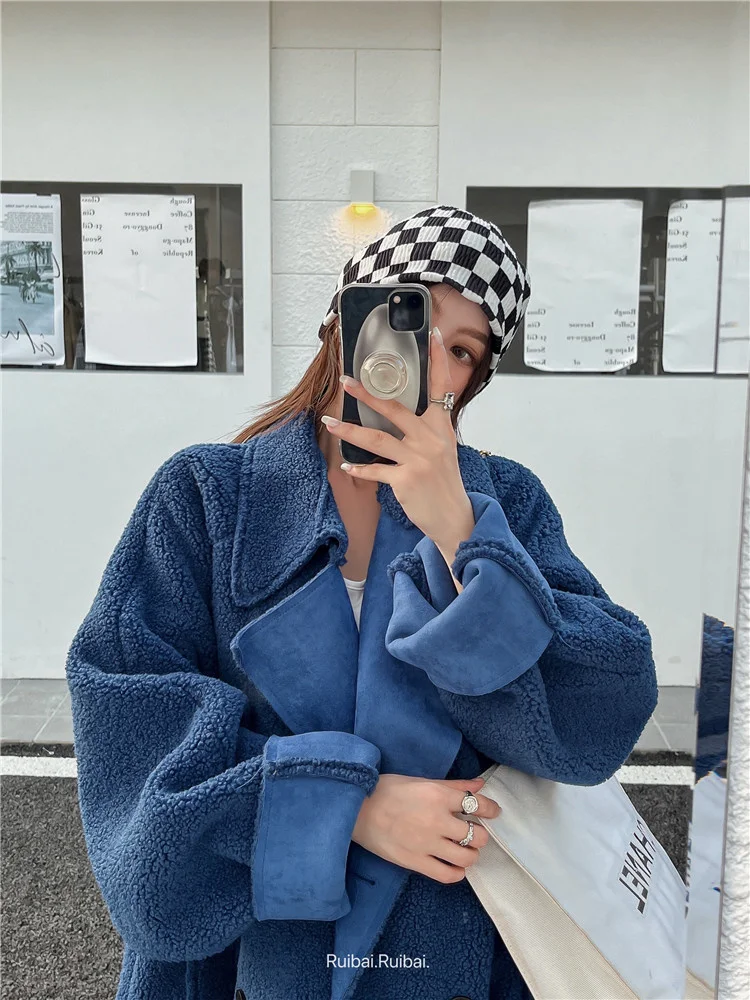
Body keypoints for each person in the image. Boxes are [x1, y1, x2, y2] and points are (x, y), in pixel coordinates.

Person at [66, 205, 658, 1000]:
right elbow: (132, 727)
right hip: (247, 963)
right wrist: (347, 807)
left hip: (455, 955)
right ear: (341, 324)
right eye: (408, 319)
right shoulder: (206, 496)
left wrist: (464, 537)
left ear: (472, 383)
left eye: (462, 350)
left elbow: (604, 703)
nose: (429, 359)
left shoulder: (507, 501)